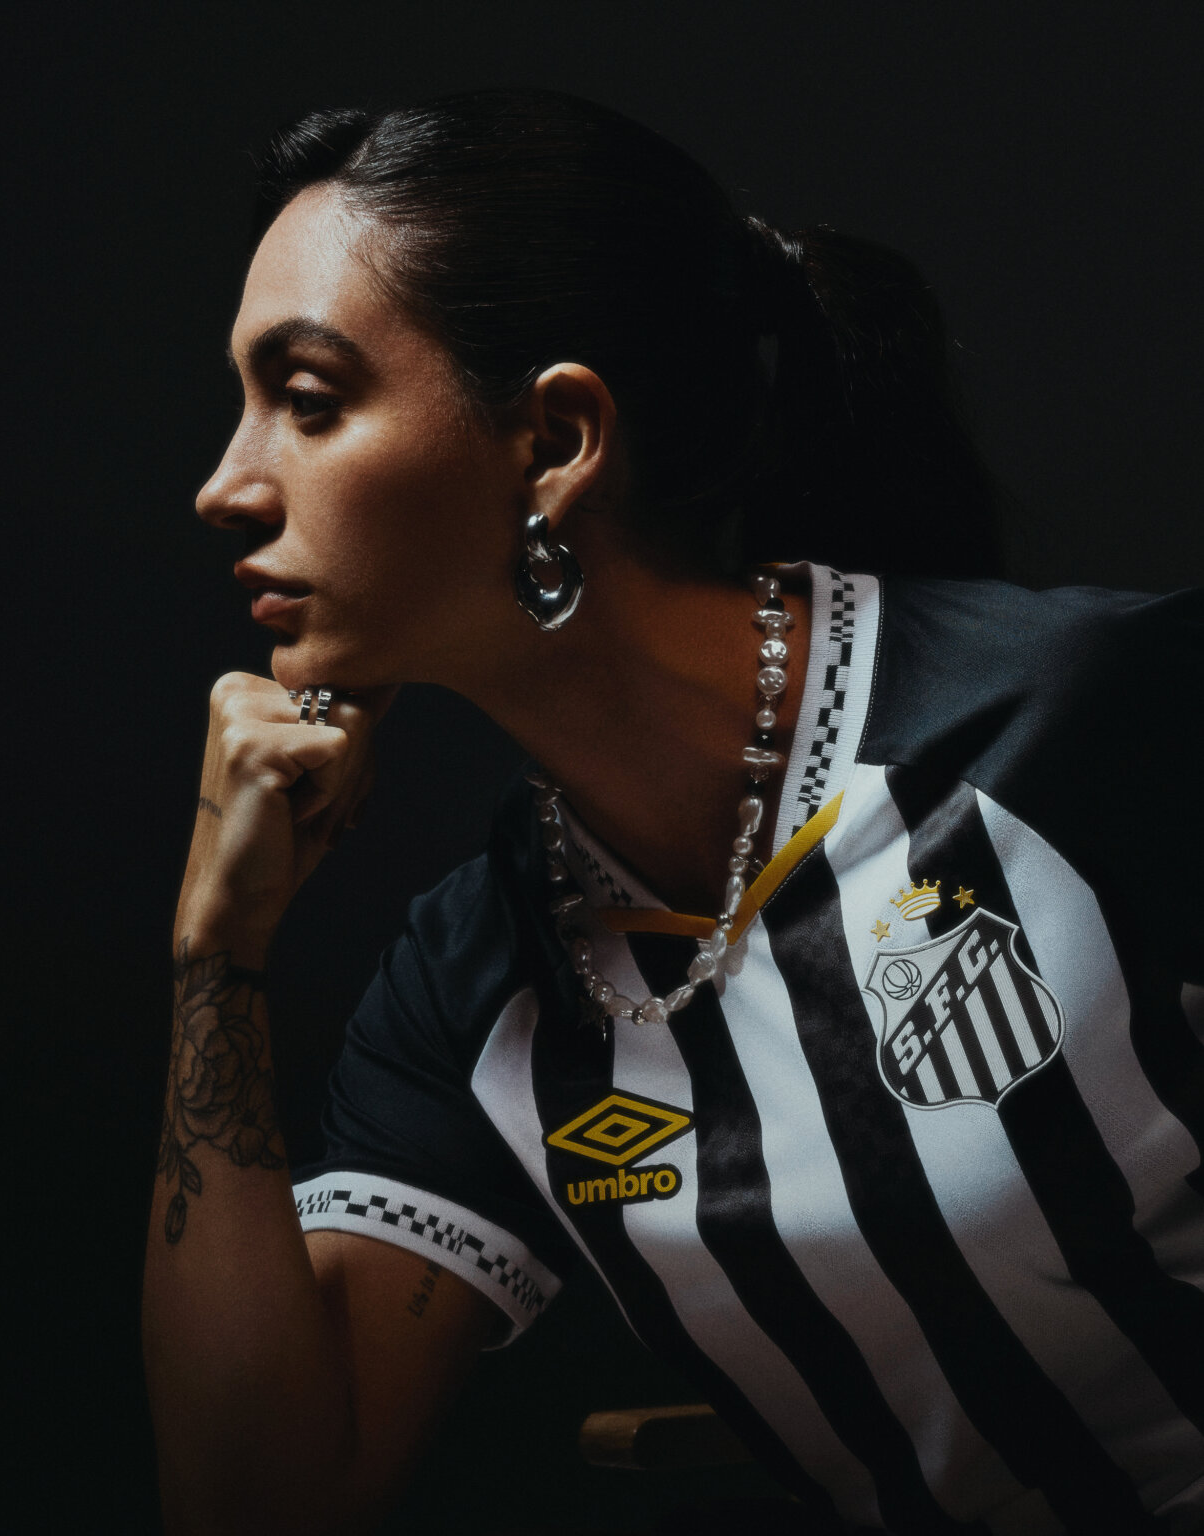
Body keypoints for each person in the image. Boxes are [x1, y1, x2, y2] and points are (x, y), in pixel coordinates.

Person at [142, 89, 1204, 1536]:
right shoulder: (479, 984)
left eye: (310, 401)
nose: (225, 487)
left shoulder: (1091, 725)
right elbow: (258, 1502)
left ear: (555, 440)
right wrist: (217, 955)